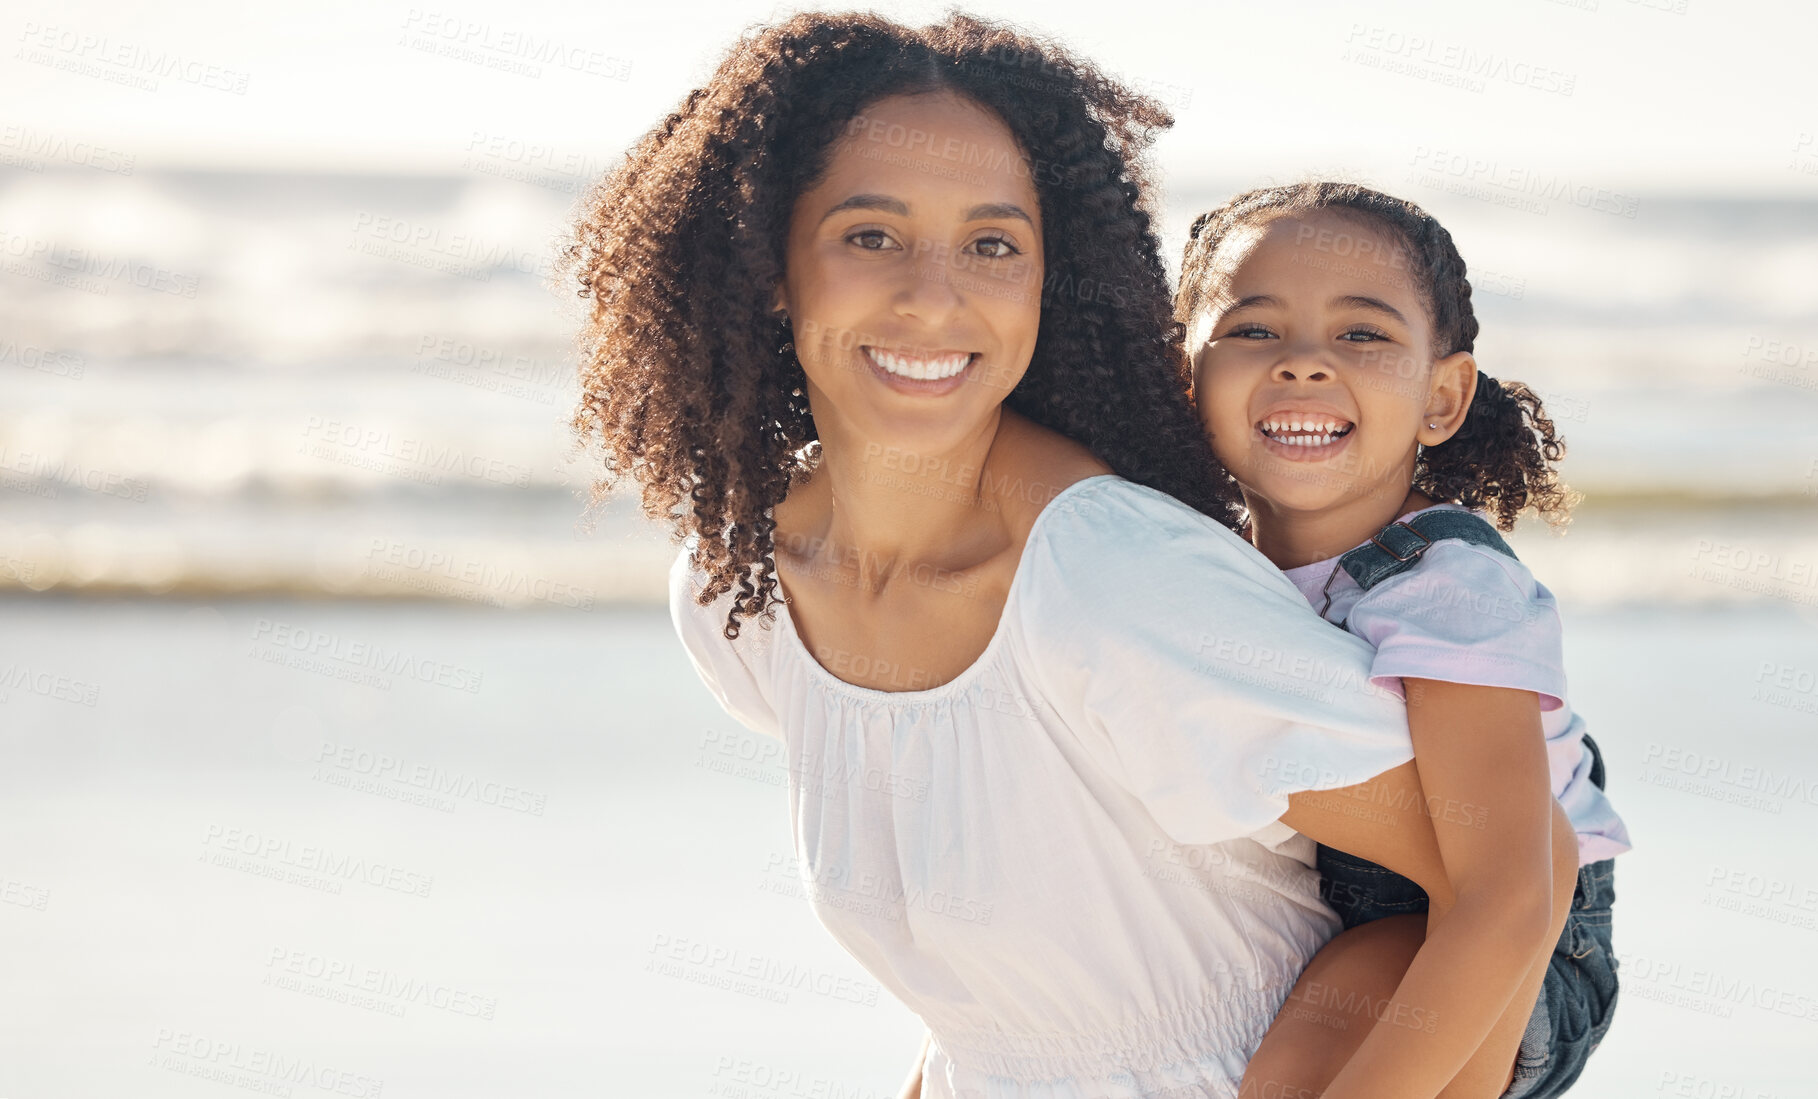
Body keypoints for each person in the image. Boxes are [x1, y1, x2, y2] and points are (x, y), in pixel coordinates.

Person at [559, 14, 1576, 1097]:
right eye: (870, 235)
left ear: (1049, 279)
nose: (934, 295)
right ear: (768, 264)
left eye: (993, 244)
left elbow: (1517, 879)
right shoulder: (744, 597)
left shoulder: (1117, 583)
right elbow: (1009, 990)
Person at [1177, 181, 1631, 1099]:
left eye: (1363, 334)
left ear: (1442, 395)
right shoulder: (1191, 561)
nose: (1304, 364)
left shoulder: (1444, 583)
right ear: (1183, 376)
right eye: (1255, 329)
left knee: (1325, 1039)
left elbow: (1509, 893)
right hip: (1353, 900)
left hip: (1522, 938)